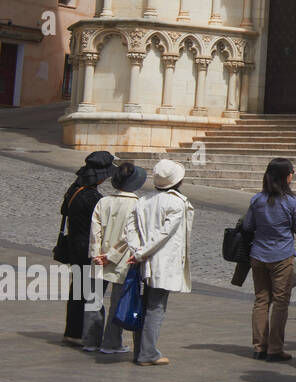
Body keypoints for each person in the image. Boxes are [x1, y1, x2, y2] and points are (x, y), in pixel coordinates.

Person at [127, 160, 194, 366]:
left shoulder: (143, 200)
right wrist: (142, 253)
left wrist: (137, 251)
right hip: (161, 263)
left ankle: (141, 350)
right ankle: (148, 353)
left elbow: (131, 229)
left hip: (143, 260)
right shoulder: (177, 203)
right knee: (155, 307)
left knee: (144, 304)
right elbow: (164, 235)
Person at [84, 161, 148, 355]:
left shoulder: (103, 202)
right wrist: (111, 255)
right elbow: (129, 236)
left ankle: (90, 339)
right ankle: (111, 342)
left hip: (99, 258)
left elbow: (95, 230)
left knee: (93, 299)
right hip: (123, 260)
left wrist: (97, 254)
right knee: (117, 302)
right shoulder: (138, 205)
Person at [243, 158, 296, 361]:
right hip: (282, 255)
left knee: (261, 300)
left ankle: (259, 346)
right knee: (280, 302)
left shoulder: (257, 199)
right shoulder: (292, 202)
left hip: (258, 254)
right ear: (287, 176)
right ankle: (275, 348)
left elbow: (248, 226)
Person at [58, 151, 115, 345]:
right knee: (90, 294)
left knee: (77, 291)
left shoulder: (74, 190)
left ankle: (72, 331)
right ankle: (82, 334)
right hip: (88, 249)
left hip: (75, 246)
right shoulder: (93, 198)